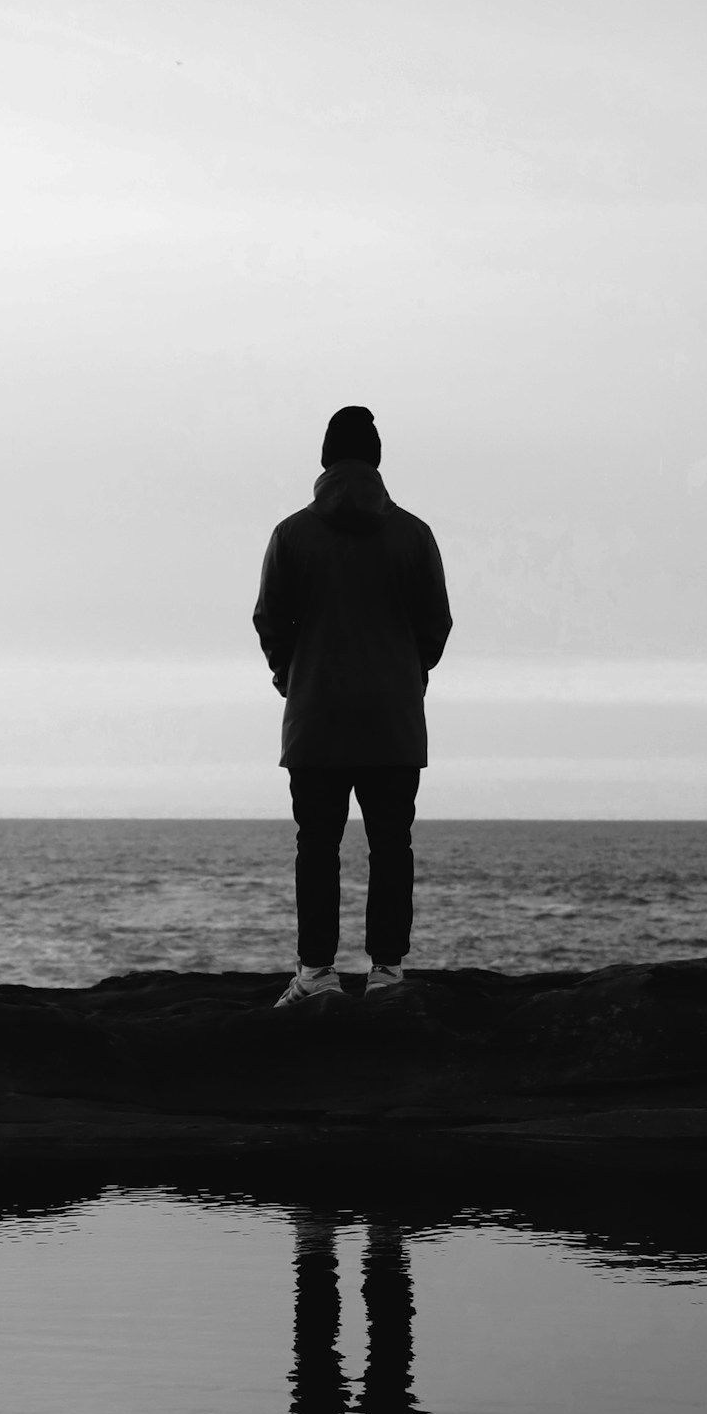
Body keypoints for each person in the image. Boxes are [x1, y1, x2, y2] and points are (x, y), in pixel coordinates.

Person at [252, 406, 452, 1006]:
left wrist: (292, 675)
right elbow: (436, 624)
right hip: (392, 720)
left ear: (324, 460)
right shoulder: (414, 535)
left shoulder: (292, 534)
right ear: (378, 461)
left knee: (317, 847)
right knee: (392, 845)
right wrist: (408, 673)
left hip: (317, 720)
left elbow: (269, 620)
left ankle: (317, 976)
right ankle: (387, 973)